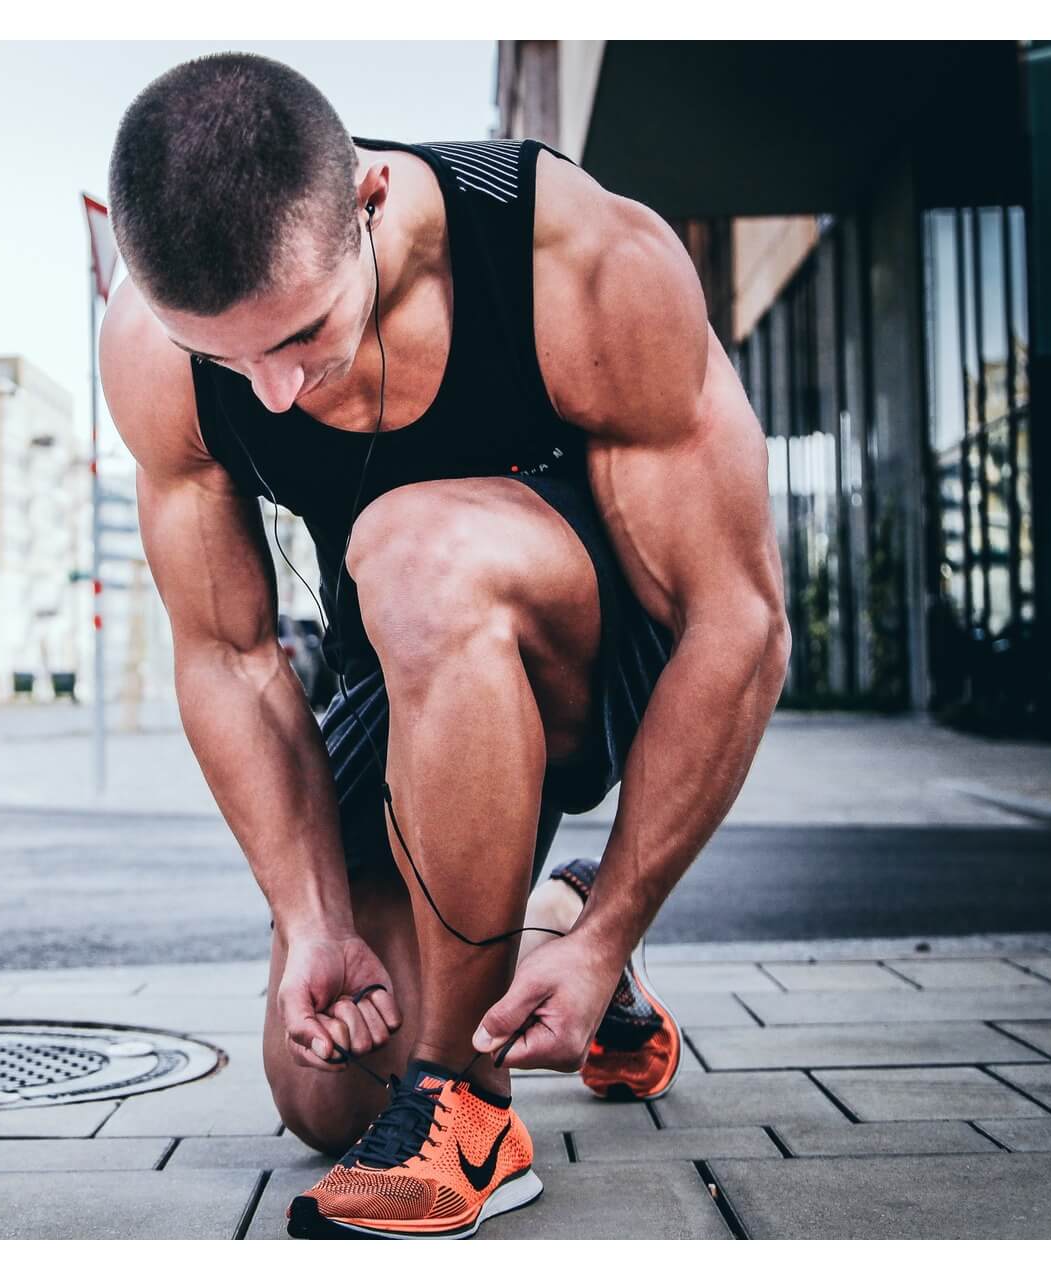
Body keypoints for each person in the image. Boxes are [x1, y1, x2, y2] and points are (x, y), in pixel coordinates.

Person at [98, 52, 789, 1240]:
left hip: (597, 649)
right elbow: (230, 655)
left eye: (303, 333)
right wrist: (311, 917)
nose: (269, 391)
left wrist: (631, 905)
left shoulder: (572, 256)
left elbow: (740, 620)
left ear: (368, 204)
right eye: (228, 359)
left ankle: (468, 1109)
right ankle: (550, 938)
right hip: (405, 662)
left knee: (412, 545)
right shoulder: (156, 346)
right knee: (324, 1089)